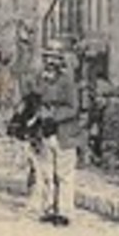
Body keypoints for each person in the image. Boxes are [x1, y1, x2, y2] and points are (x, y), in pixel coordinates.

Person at [25, 55, 83, 226]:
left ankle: (64, 212)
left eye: (53, 60)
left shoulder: (68, 83)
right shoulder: (43, 81)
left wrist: (53, 116)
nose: (49, 64)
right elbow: (36, 99)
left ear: (60, 64)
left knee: (64, 174)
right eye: (46, 59)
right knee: (47, 173)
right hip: (46, 133)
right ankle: (48, 209)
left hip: (64, 133)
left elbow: (73, 109)